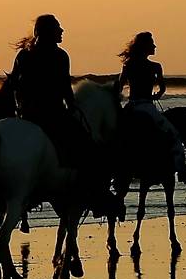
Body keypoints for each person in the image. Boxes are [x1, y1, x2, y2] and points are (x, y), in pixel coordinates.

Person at [11, 15, 115, 216]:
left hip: (28, 114)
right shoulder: (60, 56)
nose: (62, 31)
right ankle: (95, 196)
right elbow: (65, 88)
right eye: (58, 28)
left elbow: (15, 85)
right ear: (49, 31)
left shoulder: (23, 55)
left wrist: (20, 108)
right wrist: (73, 107)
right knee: (88, 148)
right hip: (53, 114)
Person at [116, 32, 186, 183]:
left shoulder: (129, 64)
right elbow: (162, 89)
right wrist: (156, 96)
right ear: (145, 47)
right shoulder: (155, 66)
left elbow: (120, 86)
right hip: (147, 106)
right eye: (152, 44)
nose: (154, 46)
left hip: (132, 105)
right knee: (173, 134)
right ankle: (182, 170)